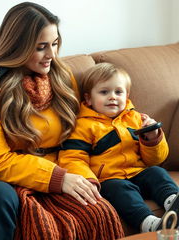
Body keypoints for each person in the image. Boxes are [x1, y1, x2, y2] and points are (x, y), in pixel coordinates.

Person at [0, 2, 124, 240]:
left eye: (55, 44)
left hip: (58, 170)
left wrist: (79, 177)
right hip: (2, 177)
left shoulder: (62, 76)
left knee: (98, 209)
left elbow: (77, 140)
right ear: (18, 46)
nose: (52, 55)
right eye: (41, 47)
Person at [59, 62, 179, 233]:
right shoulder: (83, 126)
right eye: (104, 92)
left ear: (126, 95)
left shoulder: (136, 119)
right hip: (110, 179)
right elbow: (73, 158)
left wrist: (152, 138)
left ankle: (173, 202)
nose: (113, 97)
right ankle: (149, 222)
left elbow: (157, 159)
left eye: (118, 92)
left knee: (157, 172)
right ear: (88, 99)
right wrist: (88, 181)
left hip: (138, 172)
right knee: (120, 191)